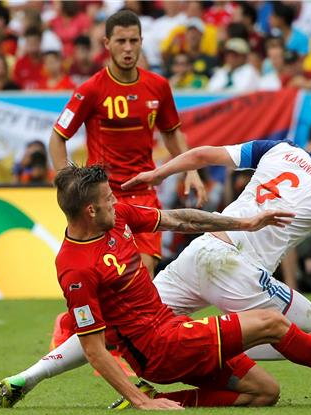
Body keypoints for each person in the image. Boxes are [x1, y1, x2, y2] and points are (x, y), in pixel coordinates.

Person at [0, 116, 311, 407]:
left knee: (119, 328)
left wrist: (162, 171)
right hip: (235, 267)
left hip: (202, 249)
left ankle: (29, 376)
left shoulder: (283, 149)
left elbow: (205, 155)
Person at [48, 9, 206, 279]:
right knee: (106, 276)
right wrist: (68, 184)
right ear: (107, 44)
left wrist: (192, 170)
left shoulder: (158, 86)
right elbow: (58, 137)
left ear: (142, 42)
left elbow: (171, 133)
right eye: (121, 41)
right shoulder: (91, 89)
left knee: (143, 273)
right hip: (103, 196)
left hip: (144, 192)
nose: (128, 48)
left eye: (133, 41)